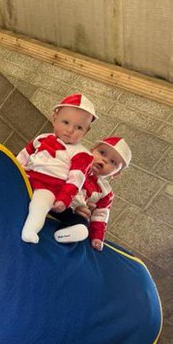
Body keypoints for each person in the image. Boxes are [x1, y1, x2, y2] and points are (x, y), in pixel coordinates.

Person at [16, 93, 97, 244]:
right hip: (28, 176)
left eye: (79, 127)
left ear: (86, 131)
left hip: (49, 187)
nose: (70, 130)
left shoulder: (81, 154)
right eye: (65, 122)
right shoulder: (41, 138)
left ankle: (30, 230)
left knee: (40, 204)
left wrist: (64, 199)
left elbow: (75, 180)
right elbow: (24, 155)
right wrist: (15, 168)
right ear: (54, 118)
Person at [54, 135, 132, 249]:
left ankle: (62, 235)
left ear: (116, 173)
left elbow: (100, 216)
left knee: (82, 225)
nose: (104, 160)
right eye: (102, 153)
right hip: (55, 198)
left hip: (70, 212)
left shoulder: (106, 192)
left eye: (113, 162)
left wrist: (97, 237)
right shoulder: (76, 160)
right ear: (92, 150)